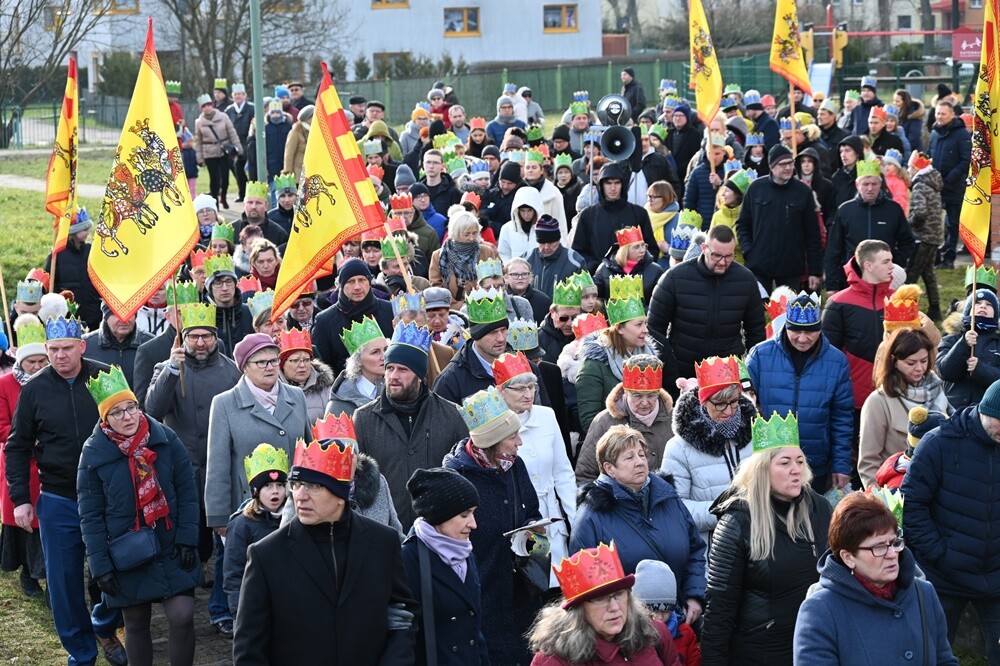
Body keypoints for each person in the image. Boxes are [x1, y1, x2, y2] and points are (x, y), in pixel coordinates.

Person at [5, 307, 128, 666]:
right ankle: (81, 651)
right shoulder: (34, 391)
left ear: (81, 347)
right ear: (46, 348)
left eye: (67, 348)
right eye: (54, 349)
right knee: (63, 581)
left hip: (107, 496)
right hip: (58, 498)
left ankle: (105, 624)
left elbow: (134, 427)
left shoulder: (107, 377)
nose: (60, 356)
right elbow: (17, 446)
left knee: (120, 568)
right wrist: (20, 500)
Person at [232, 431, 417, 663]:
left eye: (313, 486)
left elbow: (404, 618)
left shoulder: (383, 542)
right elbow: (249, 649)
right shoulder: (266, 555)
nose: (300, 496)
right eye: (296, 484)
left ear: (341, 494)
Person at [77, 366, 200, 666]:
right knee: (135, 622)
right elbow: (90, 516)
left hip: (170, 543)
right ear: (105, 418)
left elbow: (187, 491)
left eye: (131, 407)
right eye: (117, 412)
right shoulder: (93, 454)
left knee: (182, 616)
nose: (127, 417)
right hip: (126, 553)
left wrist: (187, 539)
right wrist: (100, 566)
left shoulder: (165, 438)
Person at [701, 412, 832, 666]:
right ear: (762, 469)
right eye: (784, 463)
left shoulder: (820, 508)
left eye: (800, 461)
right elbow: (719, 610)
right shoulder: (737, 522)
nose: (796, 470)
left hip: (813, 648)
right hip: (759, 654)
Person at [793, 492, 957, 665]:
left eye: (894, 542)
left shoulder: (924, 593)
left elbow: (945, 660)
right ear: (848, 557)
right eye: (879, 547)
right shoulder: (820, 610)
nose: (892, 554)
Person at [443, 386, 543, 665]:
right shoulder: (457, 479)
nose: (519, 442)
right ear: (493, 441)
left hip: (521, 595)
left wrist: (535, 532)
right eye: (512, 436)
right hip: (482, 601)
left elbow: (531, 511)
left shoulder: (515, 466)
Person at [902, 378, 1000, 663]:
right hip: (945, 576)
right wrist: (938, 553)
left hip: (995, 577)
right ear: (987, 413)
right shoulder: (939, 443)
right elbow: (912, 504)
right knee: (932, 654)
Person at [572, 424, 707, 627]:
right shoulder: (591, 516)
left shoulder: (669, 498)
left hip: (679, 621)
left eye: (641, 455)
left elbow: (695, 550)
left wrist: (694, 595)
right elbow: (587, 585)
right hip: (626, 628)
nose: (639, 462)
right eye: (629, 457)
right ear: (610, 469)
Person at [354, 320, 469, 531]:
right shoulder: (364, 419)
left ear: (419, 375)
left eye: (403, 369)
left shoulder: (451, 415)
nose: (393, 376)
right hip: (386, 534)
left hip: (439, 531)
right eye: (389, 368)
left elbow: (465, 476)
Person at [747, 293, 855, 494]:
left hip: (815, 461)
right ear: (786, 327)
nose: (802, 338)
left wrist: (841, 465)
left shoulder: (836, 361)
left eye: (810, 332)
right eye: (795, 331)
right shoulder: (760, 356)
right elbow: (745, 406)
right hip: (769, 460)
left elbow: (841, 416)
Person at [204, 333, 311, 531]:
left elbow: (308, 452)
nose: (270, 367)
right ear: (245, 367)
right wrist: (218, 517)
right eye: (261, 362)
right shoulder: (225, 404)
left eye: (273, 360)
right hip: (249, 510)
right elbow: (218, 466)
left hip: (294, 507)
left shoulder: (297, 397)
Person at [494, 351, 576, 588]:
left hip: (553, 518)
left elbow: (563, 472)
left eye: (531, 387)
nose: (528, 394)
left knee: (559, 589)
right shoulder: (494, 425)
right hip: (519, 523)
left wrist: (575, 518)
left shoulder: (547, 416)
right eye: (520, 389)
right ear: (501, 391)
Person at [528, 542, 682, 666]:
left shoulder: (655, 633)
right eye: (600, 599)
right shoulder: (552, 660)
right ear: (578, 609)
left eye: (619, 594)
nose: (614, 607)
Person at [647, 225, 766, 382]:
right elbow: (655, 330)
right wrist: (667, 369)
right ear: (704, 248)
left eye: (729, 256)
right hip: (683, 370)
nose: (723, 262)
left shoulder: (746, 280)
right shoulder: (675, 278)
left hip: (726, 372)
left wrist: (752, 372)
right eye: (716, 256)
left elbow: (756, 330)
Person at [661, 356, 756, 545]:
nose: (729, 411)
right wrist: (725, 513)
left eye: (734, 402)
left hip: (756, 540)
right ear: (704, 402)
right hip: (711, 545)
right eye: (720, 404)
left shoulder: (756, 434)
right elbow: (675, 507)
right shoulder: (679, 448)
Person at [401, 467, 489, 665]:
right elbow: (404, 637)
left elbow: (473, 628)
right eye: (464, 515)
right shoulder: (409, 558)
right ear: (439, 516)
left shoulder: (464, 550)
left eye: (473, 513)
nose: (473, 524)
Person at [858, 327, 951, 489]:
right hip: (900, 492)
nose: (920, 368)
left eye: (924, 361)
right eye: (911, 363)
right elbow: (868, 463)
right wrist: (884, 502)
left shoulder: (939, 389)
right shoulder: (878, 402)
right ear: (894, 361)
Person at [0, 315, 47, 597]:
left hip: (49, 465)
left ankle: (45, 571)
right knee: (24, 521)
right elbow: (2, 425)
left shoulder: (53, 382)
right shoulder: (5, 384)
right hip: (20, 464)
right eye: (32, 362)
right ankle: (28, 573)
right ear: (22, 362)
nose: (38, 367)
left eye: (43, 362)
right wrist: (29, 439)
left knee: (45, 522)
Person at [822, 240, 894, 420]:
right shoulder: (838, 303)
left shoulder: (899, 300)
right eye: (885, 262)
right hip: (852, 400)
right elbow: (827, 354)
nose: (892, 266)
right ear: (868, 265)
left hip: (893, 394)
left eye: (891, 260)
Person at [736, 144, 823, 292]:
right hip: (759, 265)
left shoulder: (803, 192)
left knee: (786, 313)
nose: (788, 168)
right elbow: (743, 224)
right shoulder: (756, 188)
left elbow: (812, 234)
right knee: (758, 310)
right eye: (783, 164)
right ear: (771, 166)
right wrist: (748, 251)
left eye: (790, 163)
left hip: (791, 268)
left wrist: (815, 271)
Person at [577, 276, 658, 433]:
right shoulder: (594, 365)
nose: (646, 330)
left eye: (645, 323)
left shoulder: (651, 360)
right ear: (619, 328)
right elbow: (590, 421)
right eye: (639, 324)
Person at [577, 354, 674, 485]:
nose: (645, 403)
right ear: (626, 392)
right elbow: (585, 474)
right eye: (637, 396)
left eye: (651, 395)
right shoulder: (605, 421)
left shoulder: (674, 419)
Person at [824, 159, 915, 292]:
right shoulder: (845, 210)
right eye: (865, 184)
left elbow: (907, 241)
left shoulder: (893, 209)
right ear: (857, 185)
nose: (870, 188)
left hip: (885, 280)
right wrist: (832, 284)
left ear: (880, 184)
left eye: (874, 184)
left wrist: (894, 263)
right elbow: (833, 249)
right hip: (853, 279)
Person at [222, 444, 288, 618]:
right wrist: (239, 613)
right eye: (267, 486)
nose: (275, 491)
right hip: (255, 604)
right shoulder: (241, 524)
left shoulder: (293, 519)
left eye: (280, 485)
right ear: (256, 491)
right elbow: (233, 572)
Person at [572, 161, 658, 273]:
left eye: (617, 183)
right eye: (608, 183)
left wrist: (634, 266)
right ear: (601, 185)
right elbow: (578, 252)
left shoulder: (639, 213)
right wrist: (598, 267)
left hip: (633, 279)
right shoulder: (588, 215)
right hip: (599, 278)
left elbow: (651, 249)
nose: (613, 188)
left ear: (623, 185)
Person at [311, 258, 394, 374]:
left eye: (362, 280)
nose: (357, 287)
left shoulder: (390, 310)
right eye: (350, 281)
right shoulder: (324, 321)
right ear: (340, 285)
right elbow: (323, 367)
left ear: (369, 282)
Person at [938, 289, 1000, 410]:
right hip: (953, 411)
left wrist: (980, 368)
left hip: (987, 412)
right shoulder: (950, 339)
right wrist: (963, 344)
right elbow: (945, 372)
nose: (983, 306)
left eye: (989, 304)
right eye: (977, 303)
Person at [633, 559, 701, 666]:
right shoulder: (629, 635)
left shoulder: (685, 633)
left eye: (665, 611)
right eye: (652, 611)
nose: (659, 617)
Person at [928, 100, 971, 269]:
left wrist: (950, 178)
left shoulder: (962, 134)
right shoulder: (934, 133)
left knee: (953, 223)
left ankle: (949, 258)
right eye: (938, 113)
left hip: (954, 186)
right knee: (934, 222)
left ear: (952, 115)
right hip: (935, 186)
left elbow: (966, 160)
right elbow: (930, 154)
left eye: (943, 114)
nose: (939, 117)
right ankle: (937, 254)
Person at [429, 210, 501, 309]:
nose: (471, 238)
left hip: (485, 307)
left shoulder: (487, 251)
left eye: (474, 233)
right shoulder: (439, 255)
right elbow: (437, 289)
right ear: (455, 233)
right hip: (454, 309)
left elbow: (497, 281)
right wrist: (460, 306)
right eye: (466, 234)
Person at [905, 150, 944, 321]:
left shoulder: (920, 185)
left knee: (912, 274)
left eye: (909, 167)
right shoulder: (932, 183)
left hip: (922, 236)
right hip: (934, 235)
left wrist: (909, 224)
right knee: (928, 273)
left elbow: (920, 213)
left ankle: (906, 307)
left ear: (915, 168)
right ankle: (935, 308)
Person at [82, 303, 154, 391]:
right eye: (116, 314)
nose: (123, 320)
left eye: (129, 313)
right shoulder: (85, 345)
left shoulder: (151, 344)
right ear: (106, 317)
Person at [326, 317, 387, 417]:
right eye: (375, 352)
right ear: (358, 360)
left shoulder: (397, 388)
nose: (384, 356)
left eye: (386, 349)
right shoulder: (340, 404)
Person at [594, 226, 664, 307]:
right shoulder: (604, 268)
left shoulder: (655, 270)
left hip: (645, 318)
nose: (642, 250)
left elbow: (660, 302)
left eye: (643, 245)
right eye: (636, 247)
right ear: (624, 251)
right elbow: (595, 297)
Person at [194, 93, 242, 209]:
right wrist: (199, 158)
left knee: (225, 177)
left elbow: (232, 133)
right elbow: (198, 141)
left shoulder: (223, 117)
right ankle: (215, 201)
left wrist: (238, 148)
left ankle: (224, 197)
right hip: (209, 153)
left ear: (213, 105)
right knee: (214, 179)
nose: (207, 108)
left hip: (223, 151)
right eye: (204, 106)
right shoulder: (199, 122)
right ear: (201, 108)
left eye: (209, 105)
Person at [277, 329, 333, 423]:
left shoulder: (326, 390)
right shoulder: (274, 391)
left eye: (306, 360)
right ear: (282, 365)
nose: (302, 365)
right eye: (295, 360)